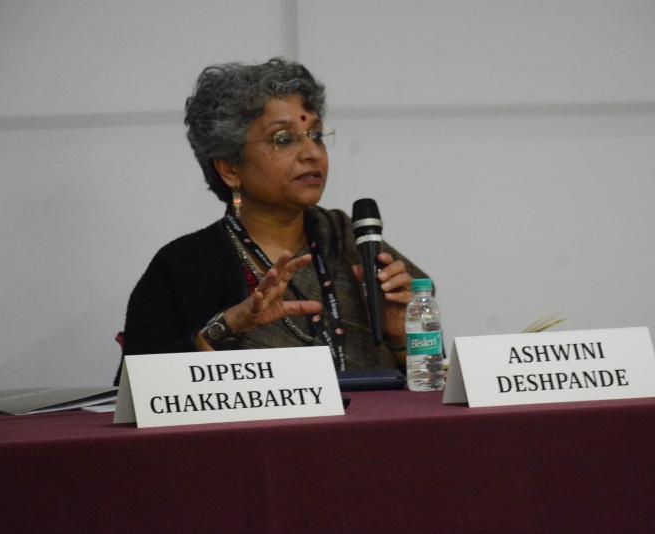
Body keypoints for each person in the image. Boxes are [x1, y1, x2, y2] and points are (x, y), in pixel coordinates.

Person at [116, 58, 428, 383]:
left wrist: (402, 339)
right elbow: (138, 392)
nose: (312, 153)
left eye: (317, 136)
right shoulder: (182, 267)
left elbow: (430, 384)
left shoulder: (351, 243)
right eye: (284, 139)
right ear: (230, 169)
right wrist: (229, 327)